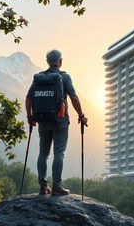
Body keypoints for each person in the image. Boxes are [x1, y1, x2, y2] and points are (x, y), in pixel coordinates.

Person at [25, 50, 88, 196]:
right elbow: (74, 98)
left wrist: (30, 117)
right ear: (61, 61)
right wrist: (81, 115)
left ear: (47, 61)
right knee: (59, 152)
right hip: (60, 120)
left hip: (42, 120)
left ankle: (42, 186)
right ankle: (56, 187)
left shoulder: (39, 78)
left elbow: (28, 98)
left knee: (43, 153)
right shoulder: (64, 77)